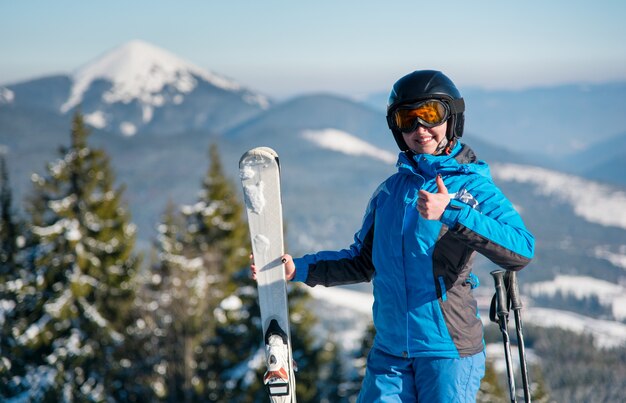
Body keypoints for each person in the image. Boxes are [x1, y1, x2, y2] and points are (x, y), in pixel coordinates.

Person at [251, 70, 535, 402]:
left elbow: (521, 249)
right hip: (390, 354)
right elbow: (361, 263)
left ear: (452, 117)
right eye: (406, 119)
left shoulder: (473, 188)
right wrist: (297, 269)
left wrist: (452, 211)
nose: (420, 128)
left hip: (447, 352)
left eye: (430, 114)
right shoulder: (389, 193)